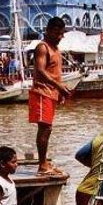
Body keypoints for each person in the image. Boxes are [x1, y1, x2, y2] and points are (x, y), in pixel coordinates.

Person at [29, 16, 71, 175]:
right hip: (41, 92)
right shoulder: (43, 47)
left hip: (51, 93)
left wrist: (59, 91)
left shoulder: (56, 49)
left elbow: (55, 73)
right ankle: (42, 165)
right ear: (48, 31)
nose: (59, 37)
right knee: (44, 128)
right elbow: (40, 70)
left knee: (48, 128)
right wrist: (58, 85)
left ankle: (44, 163)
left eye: (61, 34)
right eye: (56, 33)